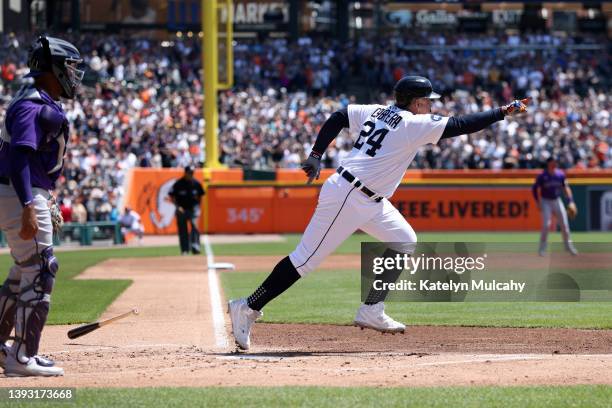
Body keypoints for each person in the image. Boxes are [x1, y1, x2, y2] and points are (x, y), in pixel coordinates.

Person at [227, 75, 530, 350]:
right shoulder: (414, 123)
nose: (430, 105)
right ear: (416, 101)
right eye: (427, 101)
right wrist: (503, 112)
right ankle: (248, 306)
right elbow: (462, 125)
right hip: (349, 194)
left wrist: (316, 154)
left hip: (369, 199)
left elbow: (339, 116)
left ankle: (372, 309)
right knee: (304, 260)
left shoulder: (376, 111)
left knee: (404, 240)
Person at [0, 35, 85, 376]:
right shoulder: (33, 104)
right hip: (19, 193)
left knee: (23, 272)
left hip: (21, 191)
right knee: (41, 270)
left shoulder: (35, 99)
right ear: (51, 67)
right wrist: (27, 205)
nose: (73, 74)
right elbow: (20, 156)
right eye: (68, 66)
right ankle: (22, 357)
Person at [532, 158, 578, 256]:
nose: (555, 164)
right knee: (546, 225)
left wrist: (571, 202)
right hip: (545, 201)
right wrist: (537, 201)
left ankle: (569, 247)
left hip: (557, 200)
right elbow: (534, 189)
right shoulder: (542, 176)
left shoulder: (560, 174)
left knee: (564, 225)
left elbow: (566, 188)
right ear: (548, 163)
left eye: (555, 162)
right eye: (553, 162)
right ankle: (542, 249)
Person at [168, 166, 205, 255]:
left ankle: (195, 246)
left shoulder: (196, 183)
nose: (191, 175)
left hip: (193, 209)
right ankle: (185, 250)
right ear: (185, 173)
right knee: (182, 230)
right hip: (181, 209)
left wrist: (198, 207)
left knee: (194, 226)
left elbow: (201, 196)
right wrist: (177, 206)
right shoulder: (178, 184)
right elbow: (171, 196)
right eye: (189, 173)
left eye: (192, 173)